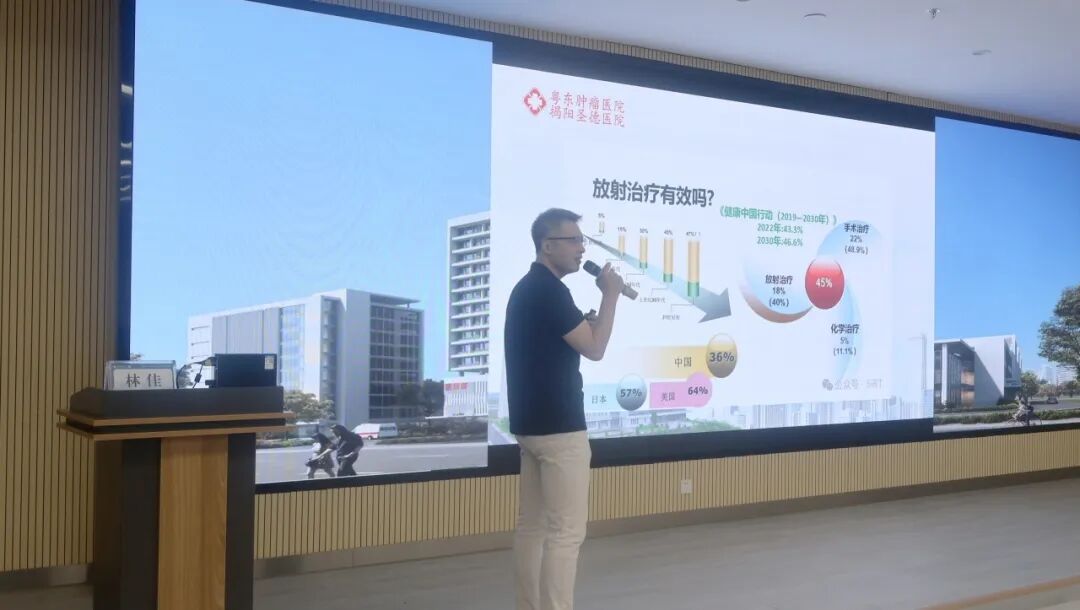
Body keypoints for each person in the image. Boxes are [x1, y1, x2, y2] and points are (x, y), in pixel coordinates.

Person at [504, 208, 625, 610]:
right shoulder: (551, 291)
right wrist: (611, 294)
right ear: (547, 245)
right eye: (573, 240)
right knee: (566, 533)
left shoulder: (528, 288)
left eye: (581, 240)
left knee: (532, 527)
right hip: (560, 429)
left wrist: (589, 320)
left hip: (531, 427)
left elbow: (569, 340)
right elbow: (595, 348)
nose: (581, 248)